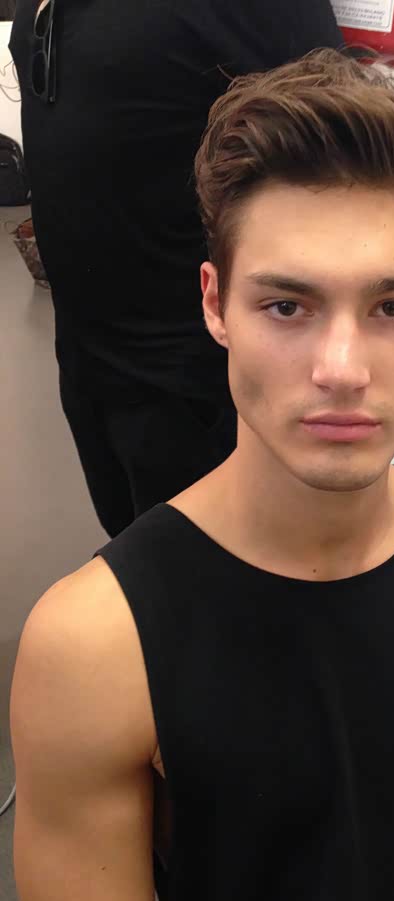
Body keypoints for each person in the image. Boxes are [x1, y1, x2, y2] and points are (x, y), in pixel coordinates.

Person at [10, 49, 394, 901]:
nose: (343, 369)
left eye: (393, 306)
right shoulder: (95, 644)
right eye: (287, 306)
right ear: (215, 304)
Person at [9, 0, 344, 538]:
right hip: (89, 361)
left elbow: (338, 172)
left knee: (220, 580)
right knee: (136, 554)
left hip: (198, 388)